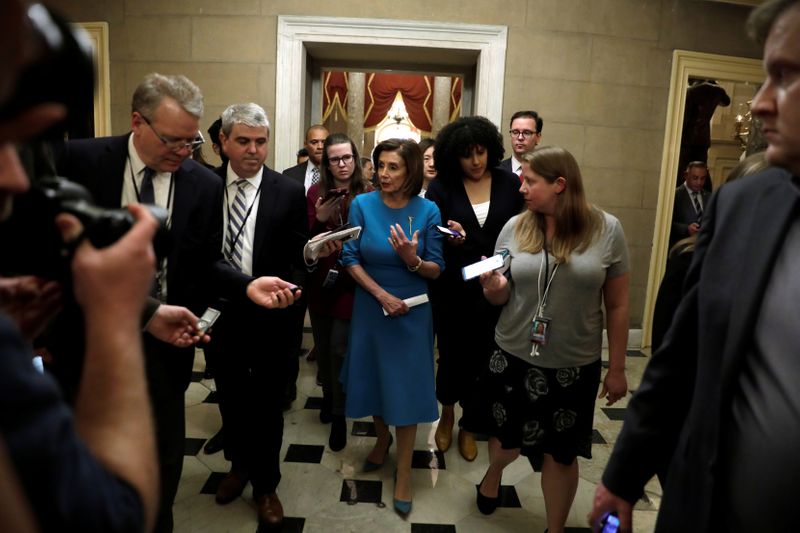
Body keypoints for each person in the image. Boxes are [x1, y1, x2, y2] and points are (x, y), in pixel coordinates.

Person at [55, 74, 300, 533]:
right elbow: (57, 256)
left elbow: (204, 260)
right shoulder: (79, 161)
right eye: (174, 140)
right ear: (137, 122)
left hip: (167, 342)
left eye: (191, 142)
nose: (184, 152)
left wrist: (244, 286)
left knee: (165, 459)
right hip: (88, 343)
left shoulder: (199, 183)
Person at [589, 3, 800, 531]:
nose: (762, 103)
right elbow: (679, 359)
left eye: (785, 76)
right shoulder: (746, 205)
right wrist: (623, 477)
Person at [465, 146, 629, 533]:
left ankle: (554, 528)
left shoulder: (608, 229)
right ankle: (494, 474)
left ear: (559, 185)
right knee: (506, 442)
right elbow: (501, 293)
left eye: (530, 181)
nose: (521, 187)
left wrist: (617, 368)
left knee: (562, 454)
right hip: (513, 354)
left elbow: (619, 305)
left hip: (573, 364)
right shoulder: (515, 227)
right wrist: (494, 287)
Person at [201, 102, 309, 529]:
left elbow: (299, 255)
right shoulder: (203, 186)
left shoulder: (286, 191)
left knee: (266, 405)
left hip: (272, 317)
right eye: (243, 140)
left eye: (261, 142)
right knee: (229, 397)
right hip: (219, 314)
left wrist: (294, 293)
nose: (253, 150)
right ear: (223, 141)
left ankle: (266, 485)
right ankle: (238, 467)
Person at [340, 138, 444, 517]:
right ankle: (381, 439)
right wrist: (380, 295)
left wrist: (412, 260)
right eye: (379, 165)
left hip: (411, 312)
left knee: (405, 389)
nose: (383, 174)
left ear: (411, 171)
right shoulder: (361, 204)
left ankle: (403, 473)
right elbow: (350, 256)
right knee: (373, 380)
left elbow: (437, 268)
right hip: (372, 306)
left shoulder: (428, 209)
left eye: (392, 167)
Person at [425, 116, 523, 462]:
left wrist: (470, 241)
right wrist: (460, 241)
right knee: (451, 355)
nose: (476, 161)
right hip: (453, 288)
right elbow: (436, 237)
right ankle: (447, 412)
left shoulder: (511, 184)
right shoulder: (441, 188)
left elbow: (518, 237)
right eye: (467, 155)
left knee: (485, 359)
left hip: (496, 288)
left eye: (481, 152)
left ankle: (469, 424)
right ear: (455, 156)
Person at [306, 132, 372, 451]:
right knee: (322, 347)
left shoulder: (368, 193)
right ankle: (329, 397)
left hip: (352, 283)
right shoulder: (313, 194)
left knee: (338, 349)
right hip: (321, 283)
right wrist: (318, 220)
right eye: (335, 159)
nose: (342, 164)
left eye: (347, 158)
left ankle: (338, 415)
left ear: (356, 159)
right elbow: (305, 245)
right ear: (326, 163)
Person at [669, 161, 710, 246]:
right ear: (686, 175)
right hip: (681, 249)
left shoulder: (709, 196)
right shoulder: (674, 195)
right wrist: (686, 229)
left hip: (702, 249)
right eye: (695, 178)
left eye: (702, 178)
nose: (699, 182)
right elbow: (667, 223)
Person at [499, 110, 543, 179]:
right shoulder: (496, 171)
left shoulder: (547, 172)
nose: (520, 138)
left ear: (538, 137)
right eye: (515, 132)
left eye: (526, 133)